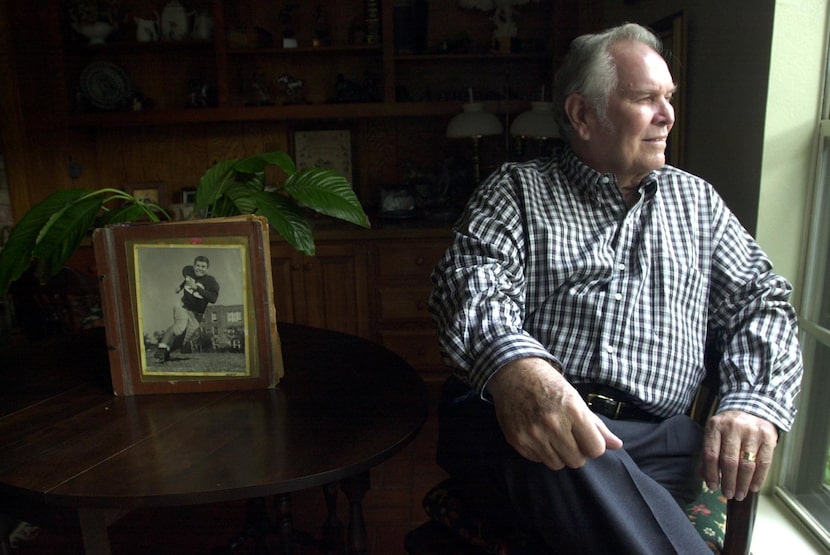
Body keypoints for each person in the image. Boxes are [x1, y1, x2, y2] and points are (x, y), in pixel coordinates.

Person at [428, 23, 803, 554]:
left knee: (590, 485)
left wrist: (752, 401)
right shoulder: (517, 189)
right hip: (519, 419)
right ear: (583, 115)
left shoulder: (697, 204)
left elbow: (761, 303)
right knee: (553, 446)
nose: (668, 114)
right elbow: (469, 280)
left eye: (668, 98)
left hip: (657, 440)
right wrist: (518, 368)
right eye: (645, 98)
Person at [155, 255, 220, 363]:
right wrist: (180, 287)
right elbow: (187, 280)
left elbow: (213, 299)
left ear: (207, 269)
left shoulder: (211, 281)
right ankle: (161, 347)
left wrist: (197, 288)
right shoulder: (188, 271)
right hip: (183, 307)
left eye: (203, 266)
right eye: (198, 265)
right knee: (179, 328)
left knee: (183, 341)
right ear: (193, 266)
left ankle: (166, 352)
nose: (200, 268)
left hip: (197, 315)